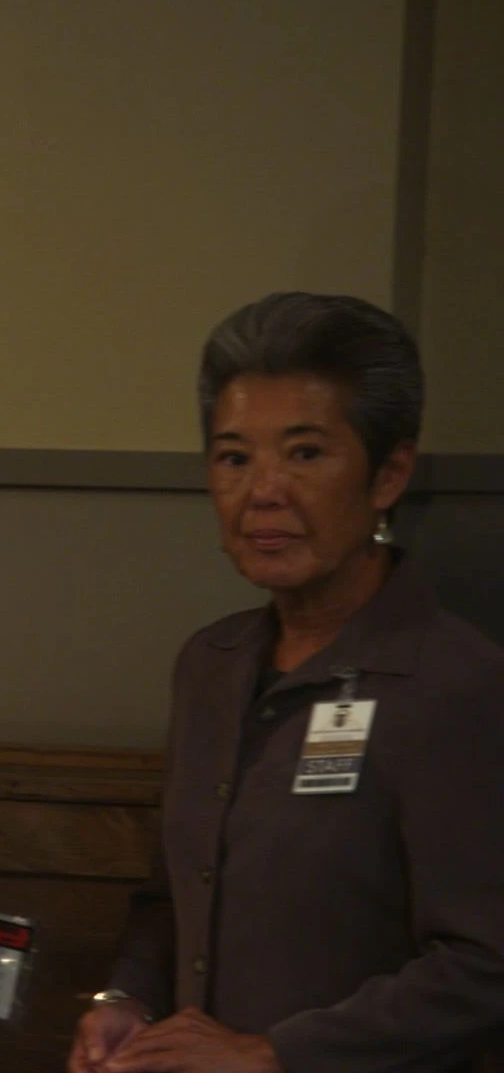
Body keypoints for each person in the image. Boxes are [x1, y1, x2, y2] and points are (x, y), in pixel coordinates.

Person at [69, 293, 504, 1072]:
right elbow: (174, 897)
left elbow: (484, 964)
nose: (263, 490)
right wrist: (126, 1002)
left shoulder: (453, 682)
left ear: (388, 474)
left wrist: (275, 1054)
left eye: (304, 454)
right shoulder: (208, 665)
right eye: (234, 458)